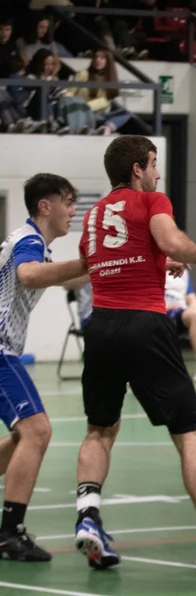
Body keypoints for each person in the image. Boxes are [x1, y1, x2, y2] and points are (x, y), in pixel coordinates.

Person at [74, 136, 196, 573]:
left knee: (99, 430)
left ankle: (88, 516)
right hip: (146, 326)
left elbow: (103, 262)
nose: (158, 172)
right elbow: (170, 239)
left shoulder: (93, 215)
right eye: (153, 163)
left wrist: (155, 264)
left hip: (101, 327)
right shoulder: (151, 201)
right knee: (188, 433)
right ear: (137, 169)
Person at [0, 174, 86, 561]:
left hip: (6, 351)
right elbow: (30, 275)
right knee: (37, 431)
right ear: (45, 206)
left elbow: (73, 277)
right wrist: (88, 261)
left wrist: (142, 265)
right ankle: (9, 534)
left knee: (25, 437)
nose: (73, 211)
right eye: (68, 202)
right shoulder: (29, 241)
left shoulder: (38, 247)